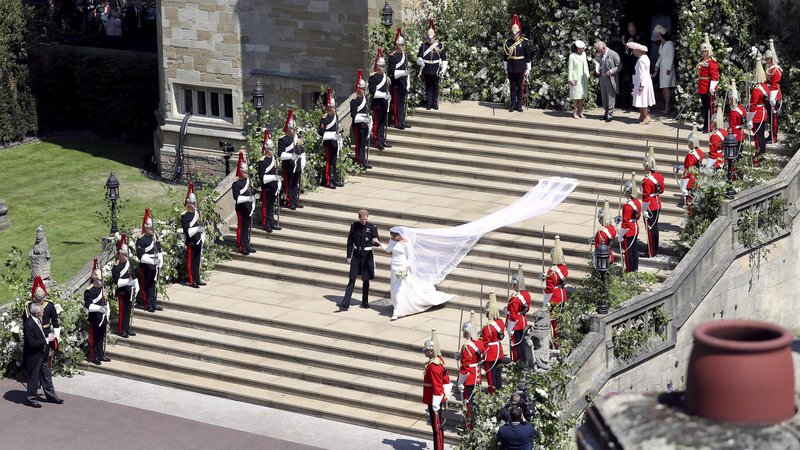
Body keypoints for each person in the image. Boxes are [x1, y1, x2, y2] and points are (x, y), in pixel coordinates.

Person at [379, 230, 454, 320]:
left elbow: (409, 257)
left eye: (395, 236)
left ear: (399, 235)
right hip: (394, 266)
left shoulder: (407, 243)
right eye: (392, 236)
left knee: (400, 287)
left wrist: (406, 269)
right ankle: (399, 305)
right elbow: (388, 250)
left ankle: (398, 311)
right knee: (395, 287)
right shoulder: (393, 241)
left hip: (402, 267)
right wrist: (379, 243)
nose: (393, 238)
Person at [338, 209, 380, 311]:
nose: (364, 221)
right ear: (359, 218)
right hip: (356, 255)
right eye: (362, 219)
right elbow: (350, 241)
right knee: (352, 278)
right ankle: (345, 302)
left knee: (366, 279)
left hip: (367, 256)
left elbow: (377, 242)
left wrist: (376, 242)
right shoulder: (354, 226)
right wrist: (349, 256)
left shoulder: (372, 227)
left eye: (365, 219)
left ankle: (365, 301)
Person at [23, 303, 63, 408]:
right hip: (34, 356)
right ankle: (31, 399)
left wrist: (49, 335)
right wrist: (47, 340)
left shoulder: (38, 320)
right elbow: (31, 343)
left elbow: (41, 332)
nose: (43, 311)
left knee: (46, 376)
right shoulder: (28, 324)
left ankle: (51, 396)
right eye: (42, 310)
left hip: (43, 353)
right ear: (37, 313)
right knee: (34, 378)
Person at [456, 314, 486, 430]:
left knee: (469, 403)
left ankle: (470, 427)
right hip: (477, 375)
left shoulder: (466, 347)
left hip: (469, 378)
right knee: (476, 400)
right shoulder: (479, 343)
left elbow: (465, 367)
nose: (463, 333)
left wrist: (460, 382)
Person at [422, 329, 451, 450]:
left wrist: (435, 404)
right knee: (436, 428)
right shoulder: (437, 360)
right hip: (434, 398)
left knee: (437, 428)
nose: (425, 352)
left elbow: (438, 385)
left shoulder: (434, 366)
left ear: (431, 351)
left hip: (434, 399)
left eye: (427, 350)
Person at [136, 208, 163, 312]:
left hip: (155, 264)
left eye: (153, 228)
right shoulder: (141, 239)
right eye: (150, 228)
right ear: (146, 228)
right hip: (146, 265)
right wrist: (152, 261)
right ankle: (148, 304)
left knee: (153, 285)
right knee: (146, 285)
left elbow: (159, 249)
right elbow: (140, 255)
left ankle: (153, 303)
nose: (152, 230)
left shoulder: (155, 237)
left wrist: (160, 262)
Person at [503, 14, 531, 113]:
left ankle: (519, 105)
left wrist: (528, 69)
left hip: (521, 67)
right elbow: (505, 57)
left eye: (516, 33)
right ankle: (512, 105)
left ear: (519, 32)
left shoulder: (524, 43)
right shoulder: (508, 43)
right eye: (513, 33)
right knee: (512, 87)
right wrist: (505, 68)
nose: (514, 35)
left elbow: (528, 57)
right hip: (511, 67)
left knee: (520, 87)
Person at [417, 19, 447, 111]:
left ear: (434, 37)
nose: (430, 40)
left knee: (435, 87)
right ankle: (429, 104)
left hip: (436, 69)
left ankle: (435, 103)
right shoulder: (423, 46)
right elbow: (419, 57)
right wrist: (420, 61)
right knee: (428, 87)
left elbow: (444, 58)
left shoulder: (439, 46)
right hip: (426, 69)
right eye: (429, 38)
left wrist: (443, 69)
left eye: (432, 38)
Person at [544, 236, 568, 346]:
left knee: (555, 324)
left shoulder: (551, 271)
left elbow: (549, 289)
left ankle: (556, 345)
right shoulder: (563, 268)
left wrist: (546, 303)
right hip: (562, 294)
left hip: (554, 297)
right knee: (562, 320)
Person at [279, 110, 305, 209]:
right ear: (288, 129)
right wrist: (290, 156)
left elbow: (302, 150)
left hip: (297, 164)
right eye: (292, 129)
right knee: (289, 184)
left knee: (296, 184)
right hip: (289, 165)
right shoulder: (283, 139)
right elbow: (280, 154)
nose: (294, 131)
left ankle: (296, 201)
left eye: (295, 129)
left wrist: (302, 161)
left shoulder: (297, 138)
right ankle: (290, 202)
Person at [84, 265, 110, 365]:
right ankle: (94, 357)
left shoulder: (103, 288)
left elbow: (106, 301)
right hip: (95, 318)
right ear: (94, 279)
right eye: (100, 279)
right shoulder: (89, 290)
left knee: (101, 337)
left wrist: (107, 313)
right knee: (94, 338)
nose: (102, 281)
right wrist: (99, 308)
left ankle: (101, 354)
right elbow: (88, 305)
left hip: (103, 317)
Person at [641, 147, 665, 258]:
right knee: (655, 227)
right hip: (657, 203)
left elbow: (645, 197)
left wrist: (644, 210)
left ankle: (650, 251)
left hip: (650, 205)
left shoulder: (646, 181)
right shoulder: (659, 176)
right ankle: (655, 247)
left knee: (650, 228)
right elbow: (662, 190)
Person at [112, 234, 137, 337]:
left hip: (130, 290)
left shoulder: (128, 263)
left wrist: (136, 285)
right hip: (122, 292)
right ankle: (122, 330)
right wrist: (127, 282)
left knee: (128, 311)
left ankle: (127, 328)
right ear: (120, 254)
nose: (126, 257)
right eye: (124, 254)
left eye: (127, 254)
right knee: (123, 312)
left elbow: (133, 275)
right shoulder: (117, 266)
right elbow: (116, 281)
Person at [182, 182, 206, 287]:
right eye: (192, 203)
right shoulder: (185, 215)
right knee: (190, 263)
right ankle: (192, 281)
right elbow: (187, 230)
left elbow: (200, 225)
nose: (194, 205)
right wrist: (197, 228)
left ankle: (198, 278)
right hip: (191, 241)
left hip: (198, 240)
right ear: (188, 203)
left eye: (195, 203)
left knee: (197, 262)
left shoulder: (197, 213)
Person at [258, 128, 282, 232]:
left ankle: (272, 223)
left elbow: (276, 172)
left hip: (273, 187)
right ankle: (266, 224)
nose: (272, 150)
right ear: (266, 149)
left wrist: (278, 182)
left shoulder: (274, 159)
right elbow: (262, 177)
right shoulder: (263, 161)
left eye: (273, 148)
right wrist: (273, 178)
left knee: (271, 207)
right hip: (267, 187)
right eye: (270, 149)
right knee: (266, 207)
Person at [232, 151, 257, 254]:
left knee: (247, 227)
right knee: (242, 227)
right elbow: (236, 198)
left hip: (248, 207)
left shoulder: (247, 181)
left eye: (247, 172)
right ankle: (242, 246)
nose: (247, 173)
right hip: (241, 207)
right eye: (245, 172)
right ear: (241, 171)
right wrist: (247, 199)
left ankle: (247, 245)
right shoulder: (236, 183)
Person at [480, 291, 505, 394]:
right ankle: (498, 392)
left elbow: (485, 343)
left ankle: (492, 394)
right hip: (498, 351)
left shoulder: (487, 327)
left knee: (491, 377)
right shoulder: (500, 322)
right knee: (498, 375)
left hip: (490, 354)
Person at [387, 28, 412, 129]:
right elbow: (392, 71)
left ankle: (402, 121)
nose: (402, 47)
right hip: (397, 83)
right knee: (397, 104)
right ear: (397, 45)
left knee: (402, 103)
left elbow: (406, 68)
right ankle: (398, 122)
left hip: (403, 83)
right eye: (400, 45)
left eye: (403, 45)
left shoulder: (404, 55)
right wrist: (403, 73)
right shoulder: (393, 56)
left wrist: (407, 81)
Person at [318, 88, 342, 189]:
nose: (334, 109)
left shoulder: (336, 117)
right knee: (329, 162)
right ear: (329, 108)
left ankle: (334, 179)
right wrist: (331, 136)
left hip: (335, 142)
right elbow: (321, 132)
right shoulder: (325, 118)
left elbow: (337, 129)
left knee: (334, 162)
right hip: (328, 143)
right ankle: (328, 181)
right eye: (333, 107)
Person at [748, 56, 769, 167]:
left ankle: (758, 158)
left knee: (758, 138)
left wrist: (750, 119)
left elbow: (753, 105)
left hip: (757, 115)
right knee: (761, 137)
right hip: (763, 112)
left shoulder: (756, 90)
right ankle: (761, 156)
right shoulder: (765, 87)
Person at [368, 49, 392, 150]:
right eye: (382, 66)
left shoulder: (385, 77)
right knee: (377, 123)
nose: (383, 68)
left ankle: (382, 140)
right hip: (377, 104)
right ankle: (377, 141)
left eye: (384, 66)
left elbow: (387, 89)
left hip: (384, 103)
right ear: (377, 67)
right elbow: (374, 92)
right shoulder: (373, 78)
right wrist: (384, 96)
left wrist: (388, 97)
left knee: (383, 123)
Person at [506, 271, 531, 365]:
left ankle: (519, 363)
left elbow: (513, 315)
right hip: (523, 320)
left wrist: (510, 328)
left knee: (516, 345)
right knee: (522, 343)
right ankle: (524, 360)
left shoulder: (514, 298)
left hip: (516, 323)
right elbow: (526, 308)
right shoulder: (526, 294)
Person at [697, 33, 720, 133]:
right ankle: (705, 125)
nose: (702, 54)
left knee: (709, 109)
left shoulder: (712, 62)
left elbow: (715, 76)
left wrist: (712, 87)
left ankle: (709, 126)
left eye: (704, 52)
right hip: (702, 87)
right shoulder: (702, 61)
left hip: (708, 88)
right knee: (705, 108)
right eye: (702, 52)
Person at [621, 22, 646, 112]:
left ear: (635, 28)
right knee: (626, 82)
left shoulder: (640, 37)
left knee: (636, 84)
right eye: (629, 28)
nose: (630, 29)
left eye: (632, 28)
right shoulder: (625, 37)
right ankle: (626, 103)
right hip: (627, 63)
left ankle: (636, 104)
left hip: (636, 63)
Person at [619, 173, 642, 272]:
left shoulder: (627, 206)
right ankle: (635, 269)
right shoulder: (636, 202)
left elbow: (625, 222)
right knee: (634, 251)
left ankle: (630, 271)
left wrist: (620, 235)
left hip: (629, 230)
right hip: (635, 227)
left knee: (628, 253)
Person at [628, 42, 655, 124]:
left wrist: (641, 85)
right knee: (641, 99)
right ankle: (642, 115)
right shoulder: (645, 58)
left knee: (643, 100)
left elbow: (642, 73)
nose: (633, 52)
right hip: (644, 81)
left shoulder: (641, 60)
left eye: (634, 51)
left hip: (642, 82)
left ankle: (646, 117)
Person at [350, 70, 371, 169]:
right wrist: (364, 119)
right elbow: (354, 115)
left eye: (364, 88)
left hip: (365, 124)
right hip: (358, 125)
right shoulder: (354, 101)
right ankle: (359, 161)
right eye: (362, 89)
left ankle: (363, 161)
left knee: (363, 144)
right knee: (359, 144)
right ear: (358, 89)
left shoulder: (365, 99)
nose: (363, 90)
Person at [594, 40, 620, 122]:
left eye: (599, 50)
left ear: (604, 48)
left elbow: (620, 66)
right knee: (604, 96)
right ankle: (606, 112)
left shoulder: (613, 54)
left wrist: (611, 71)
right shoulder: (601, 55)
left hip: (610, 78)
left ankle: (610, 114)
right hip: (602, 78)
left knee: (610, 96)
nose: (599, 52)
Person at [652, 26, 675, 114]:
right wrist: (657, 66)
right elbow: (660, 57)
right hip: (662, 68)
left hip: (667, 69)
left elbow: (671, 56)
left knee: (666, 87)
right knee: (663, 88)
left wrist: (669, 68)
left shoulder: (669, 43)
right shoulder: (661, 44)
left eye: (658, 34)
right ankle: (667, 105)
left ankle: (667, 107)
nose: (657, 36)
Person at [681, 126, 704, 208]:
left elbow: (688, 170)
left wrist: (683, 185)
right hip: (697, 177)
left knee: (690, 203)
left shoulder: (690, 155)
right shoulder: (699, 152)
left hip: (691, 180)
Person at [764, 39, 782, 143]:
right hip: (768, 93)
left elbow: (775, 84)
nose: (767, 61)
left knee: (773, 117)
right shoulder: (769, 67)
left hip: (773, 94)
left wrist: (772, 97)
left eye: (769, 59)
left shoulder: (775, 69)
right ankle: (771, 134)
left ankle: (773, 137)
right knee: (770, 117)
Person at [568, 40, 590, 119]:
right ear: (577, 48)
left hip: (583, 78)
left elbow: (586, 65)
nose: (583, 50)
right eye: (581, 48)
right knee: (576, 96)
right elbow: (570, 68)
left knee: (582, 95)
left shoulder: (584, 54)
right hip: (575, 78)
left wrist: (588, 75)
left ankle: (580, 111)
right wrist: (570, 78)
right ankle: (575, 111)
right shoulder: (572, 56)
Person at [593, 199, 618, 264]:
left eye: (599, 218)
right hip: (610, 255)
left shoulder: (601, 232)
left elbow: (598, 246)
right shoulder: (613, 228)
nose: (599, 220)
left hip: (602, 257)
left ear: (602, 218)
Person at [708, 103, 728, 170]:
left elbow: (713, 151)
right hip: (725, 156)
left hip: (717, 158)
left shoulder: (714, 135)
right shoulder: (725, 132)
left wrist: (709, 163)